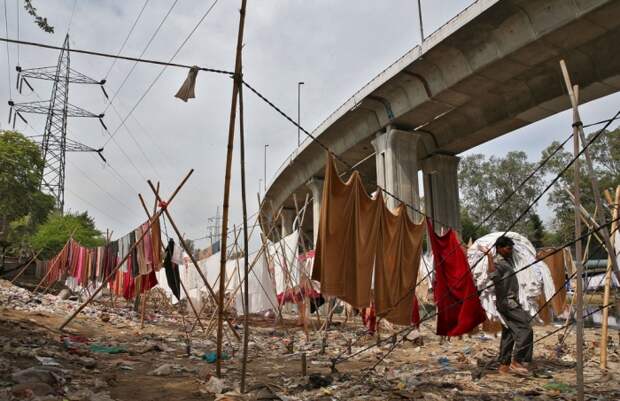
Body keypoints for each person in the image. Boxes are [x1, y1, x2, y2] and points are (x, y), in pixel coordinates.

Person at [483, 236, 533, 375]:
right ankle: (517, 361)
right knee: (525, 329)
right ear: (499, 248)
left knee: (510, 332)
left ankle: (504, 365)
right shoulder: (498, 263)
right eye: (508, 248)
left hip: (509, 302)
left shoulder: (508, 261)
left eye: (511, 248)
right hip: (508, 302)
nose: (510, 251)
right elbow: (493, 275)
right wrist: (489, 256)